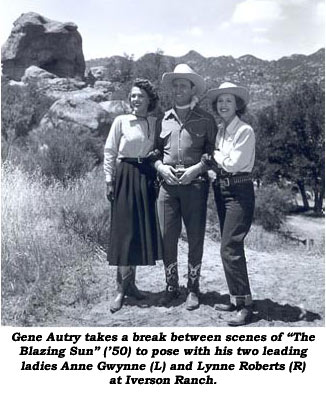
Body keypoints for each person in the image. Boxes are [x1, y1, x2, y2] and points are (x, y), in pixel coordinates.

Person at [154, 64, 217, 310]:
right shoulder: (163, 119)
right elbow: (155, 151)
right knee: (167, 237)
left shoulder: (206, 119)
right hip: (167, 186)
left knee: (195, 237)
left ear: (193, 89)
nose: (179, 89)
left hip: (195, 185)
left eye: (184, 85)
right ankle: (171, 287)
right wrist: (160, 167)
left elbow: (212, 152)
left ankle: (193, 288)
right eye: (176, 85)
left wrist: (197, 169)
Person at [104, 78, 162, 313]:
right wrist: (109, 179)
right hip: (125, 175)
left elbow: (160, 148)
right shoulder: (121, 121)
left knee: (138, 231)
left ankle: (133, 285)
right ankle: (120, 289)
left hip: (145, 176)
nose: (135, 100)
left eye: (140, 96)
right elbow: (109, 150)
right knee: (124, 232)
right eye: (133, 96)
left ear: (150, 100)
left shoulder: (155, 122)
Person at [206, 82, 255, 326]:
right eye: (220, 101)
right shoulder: (221, 130)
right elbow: (223, 162)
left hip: (240, 189)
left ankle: (245, 307)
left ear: (238, 105)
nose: (223, 105)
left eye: (229, 101)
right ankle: (238, 298)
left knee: (229, 247)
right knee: (231, 247)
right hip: (222, 189)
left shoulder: (244, 131)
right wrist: (219, 161)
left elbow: (233, 163)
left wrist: (215, 155)